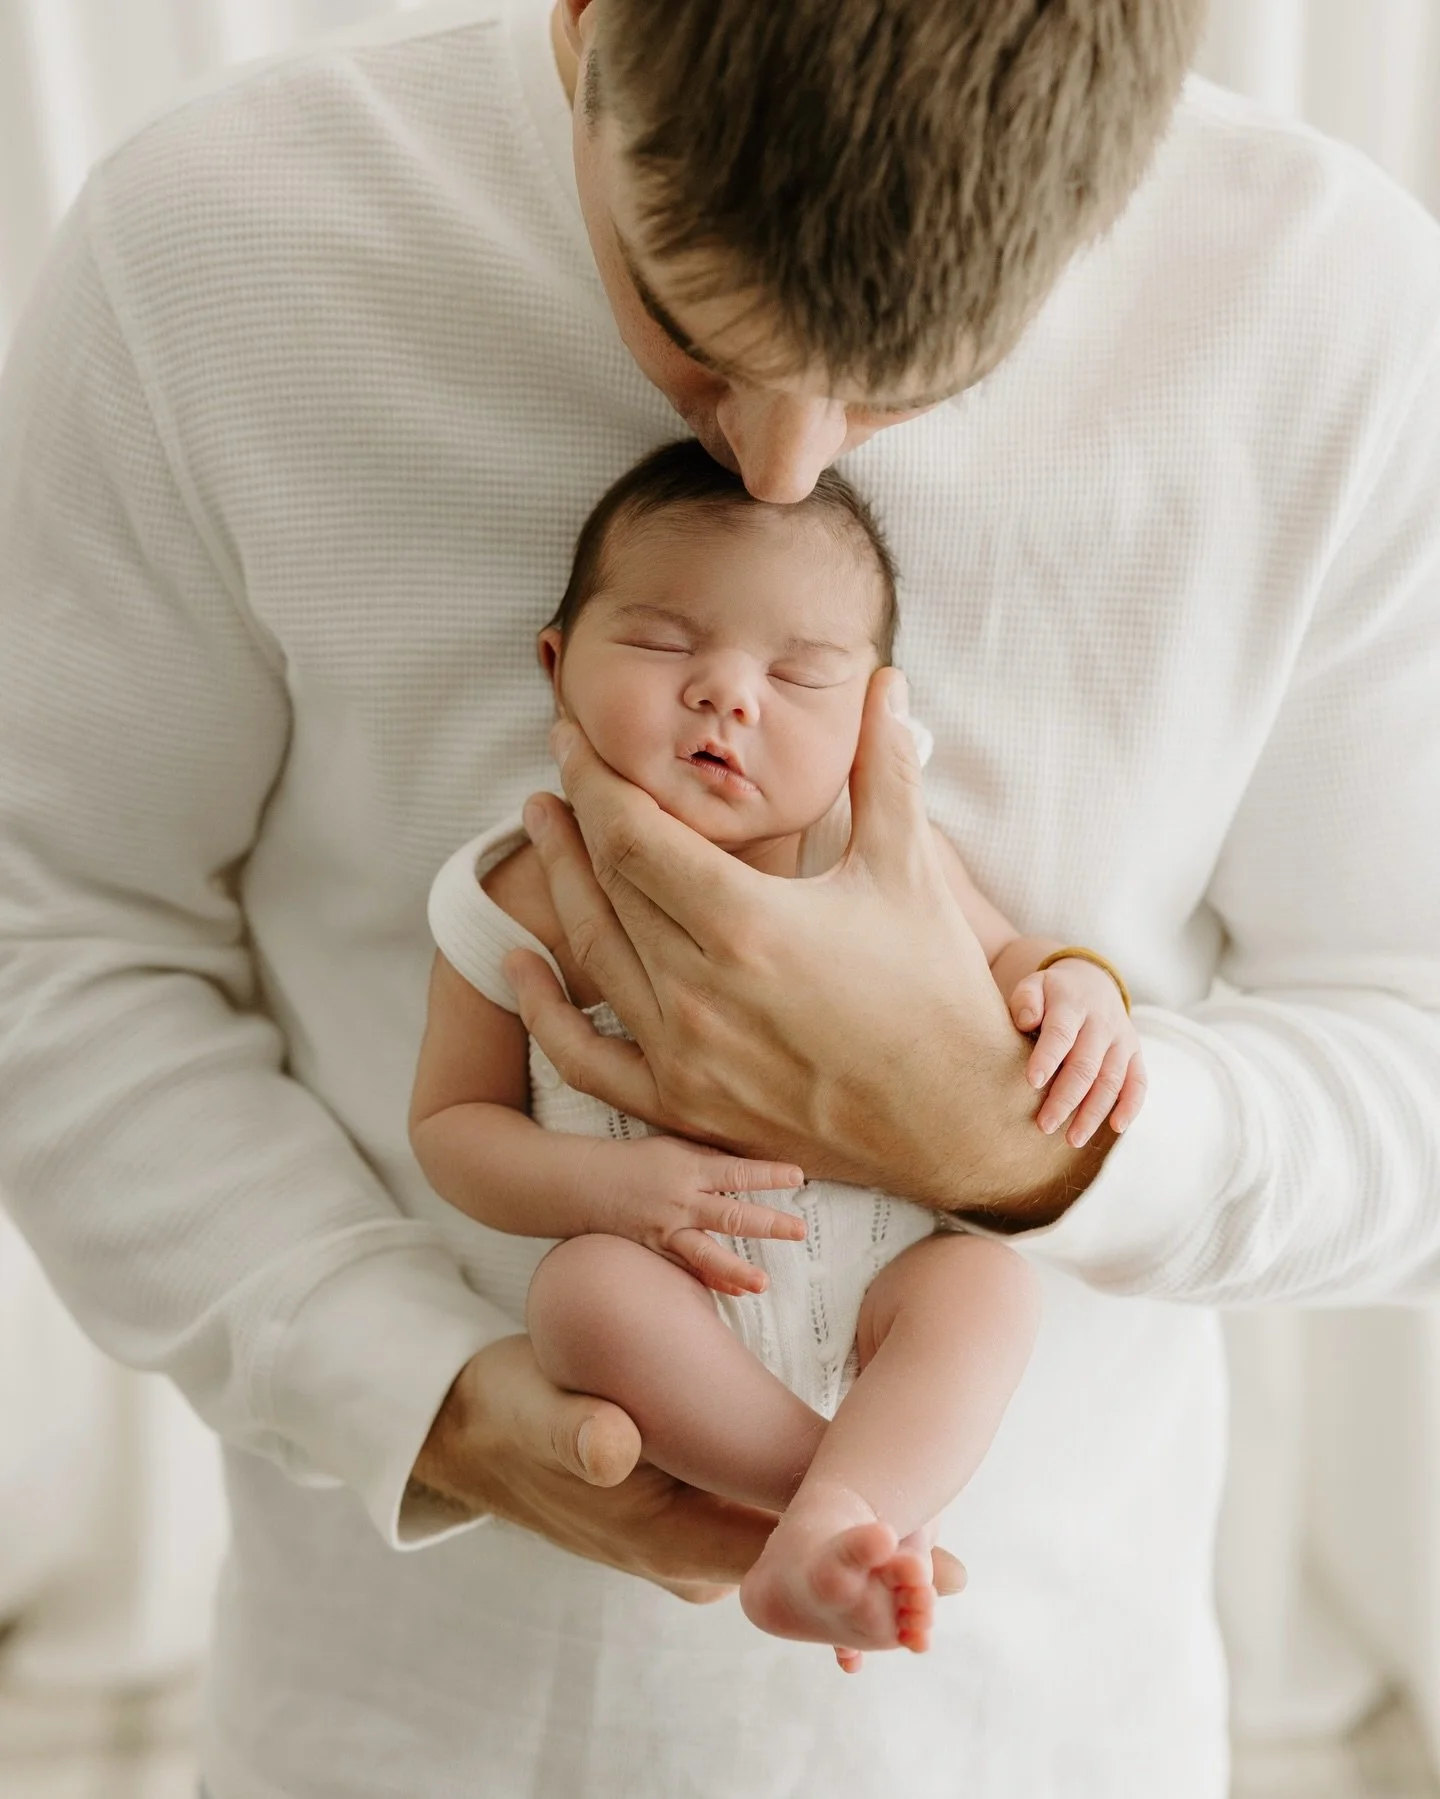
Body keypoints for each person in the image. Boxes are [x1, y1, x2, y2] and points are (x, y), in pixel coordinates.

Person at [0, 0, 1435, 1792]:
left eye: (917, 376)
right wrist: (408, 1389)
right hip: (394, 1730)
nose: (782, 466)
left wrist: (1038, 1132)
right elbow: (57, 930)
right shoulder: (207, 251)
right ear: (593, 32)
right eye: (687, 324)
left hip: (1039, 1725)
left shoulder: (1342, 311)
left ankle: (845, 1501)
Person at [410, 439, 1145, 1672]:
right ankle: (827, 1502)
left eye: (799, 674)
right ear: (556, 662)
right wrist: (609, 1194)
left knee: (985, 1290)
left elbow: (1010, 964)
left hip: (878, 1289)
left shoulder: (873, 855)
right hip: (671, 1297)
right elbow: (452, 1129)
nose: (728, 694)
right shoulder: (517, 895)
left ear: (875, 718)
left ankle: (836, 1514)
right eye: (662, 644)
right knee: (578, 1297)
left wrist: (1075, 988)